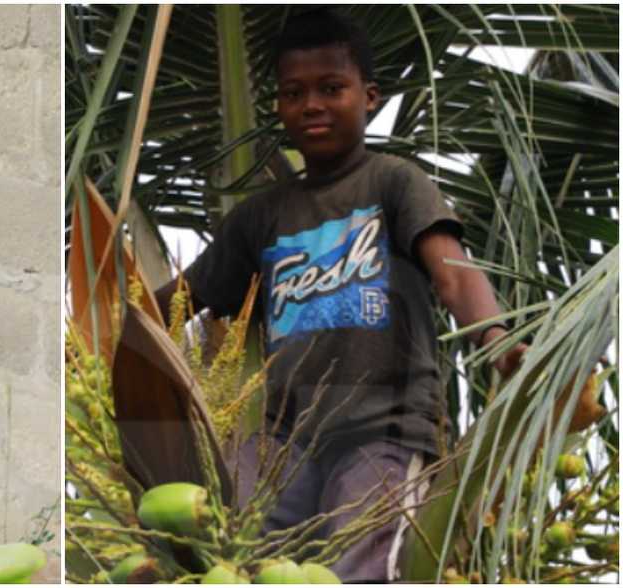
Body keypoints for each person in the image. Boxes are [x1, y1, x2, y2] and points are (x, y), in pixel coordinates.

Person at [154, 8, 526, 583]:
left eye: (332, 88)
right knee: (226, 553)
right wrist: (102, 320)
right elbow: (178, 299)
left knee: (362, 568)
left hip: (385, 431)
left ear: (369, 96)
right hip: (283, 437)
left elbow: (454, 273)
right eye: (293, 93)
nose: (312, 105)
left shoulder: (393, 182)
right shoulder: (262, 216)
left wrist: (499, 340)